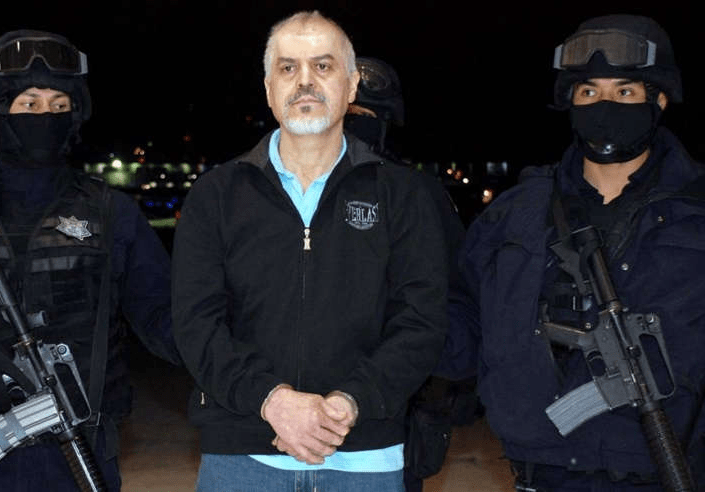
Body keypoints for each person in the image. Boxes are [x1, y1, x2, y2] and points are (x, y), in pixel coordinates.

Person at [171, 10, 447, 491]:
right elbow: (196, 324)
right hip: (240, 456)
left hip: (366, 457)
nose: (304, 81)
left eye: (323, 66)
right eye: (287, 68)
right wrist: (272, 401)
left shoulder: (403, 195)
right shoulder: (216, 195)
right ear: (268, 89)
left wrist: (348, 404)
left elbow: (421, 320)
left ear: (351, 85)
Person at [436, 14, 705, 490]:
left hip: (663, 474)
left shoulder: (695, 211)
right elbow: (463, 321)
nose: (604, 106)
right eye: (588, 92)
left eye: (624, 91)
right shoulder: (516, 213)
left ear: (658, 100)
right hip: (540, 474)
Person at [0, 30, 178, 491]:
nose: (45, 116)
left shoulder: (110, 214)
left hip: (79, 452)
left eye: (58, 105)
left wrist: (239, 361)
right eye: (29, 104)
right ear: (0, 111)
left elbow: (162, 315)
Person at [344, 56, 474, 492]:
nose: (353, 125)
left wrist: (423, 374)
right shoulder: (281, 193)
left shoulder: (418, 195)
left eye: (364, 115)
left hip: (391, 417)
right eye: (345, 113)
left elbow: (459, 301)